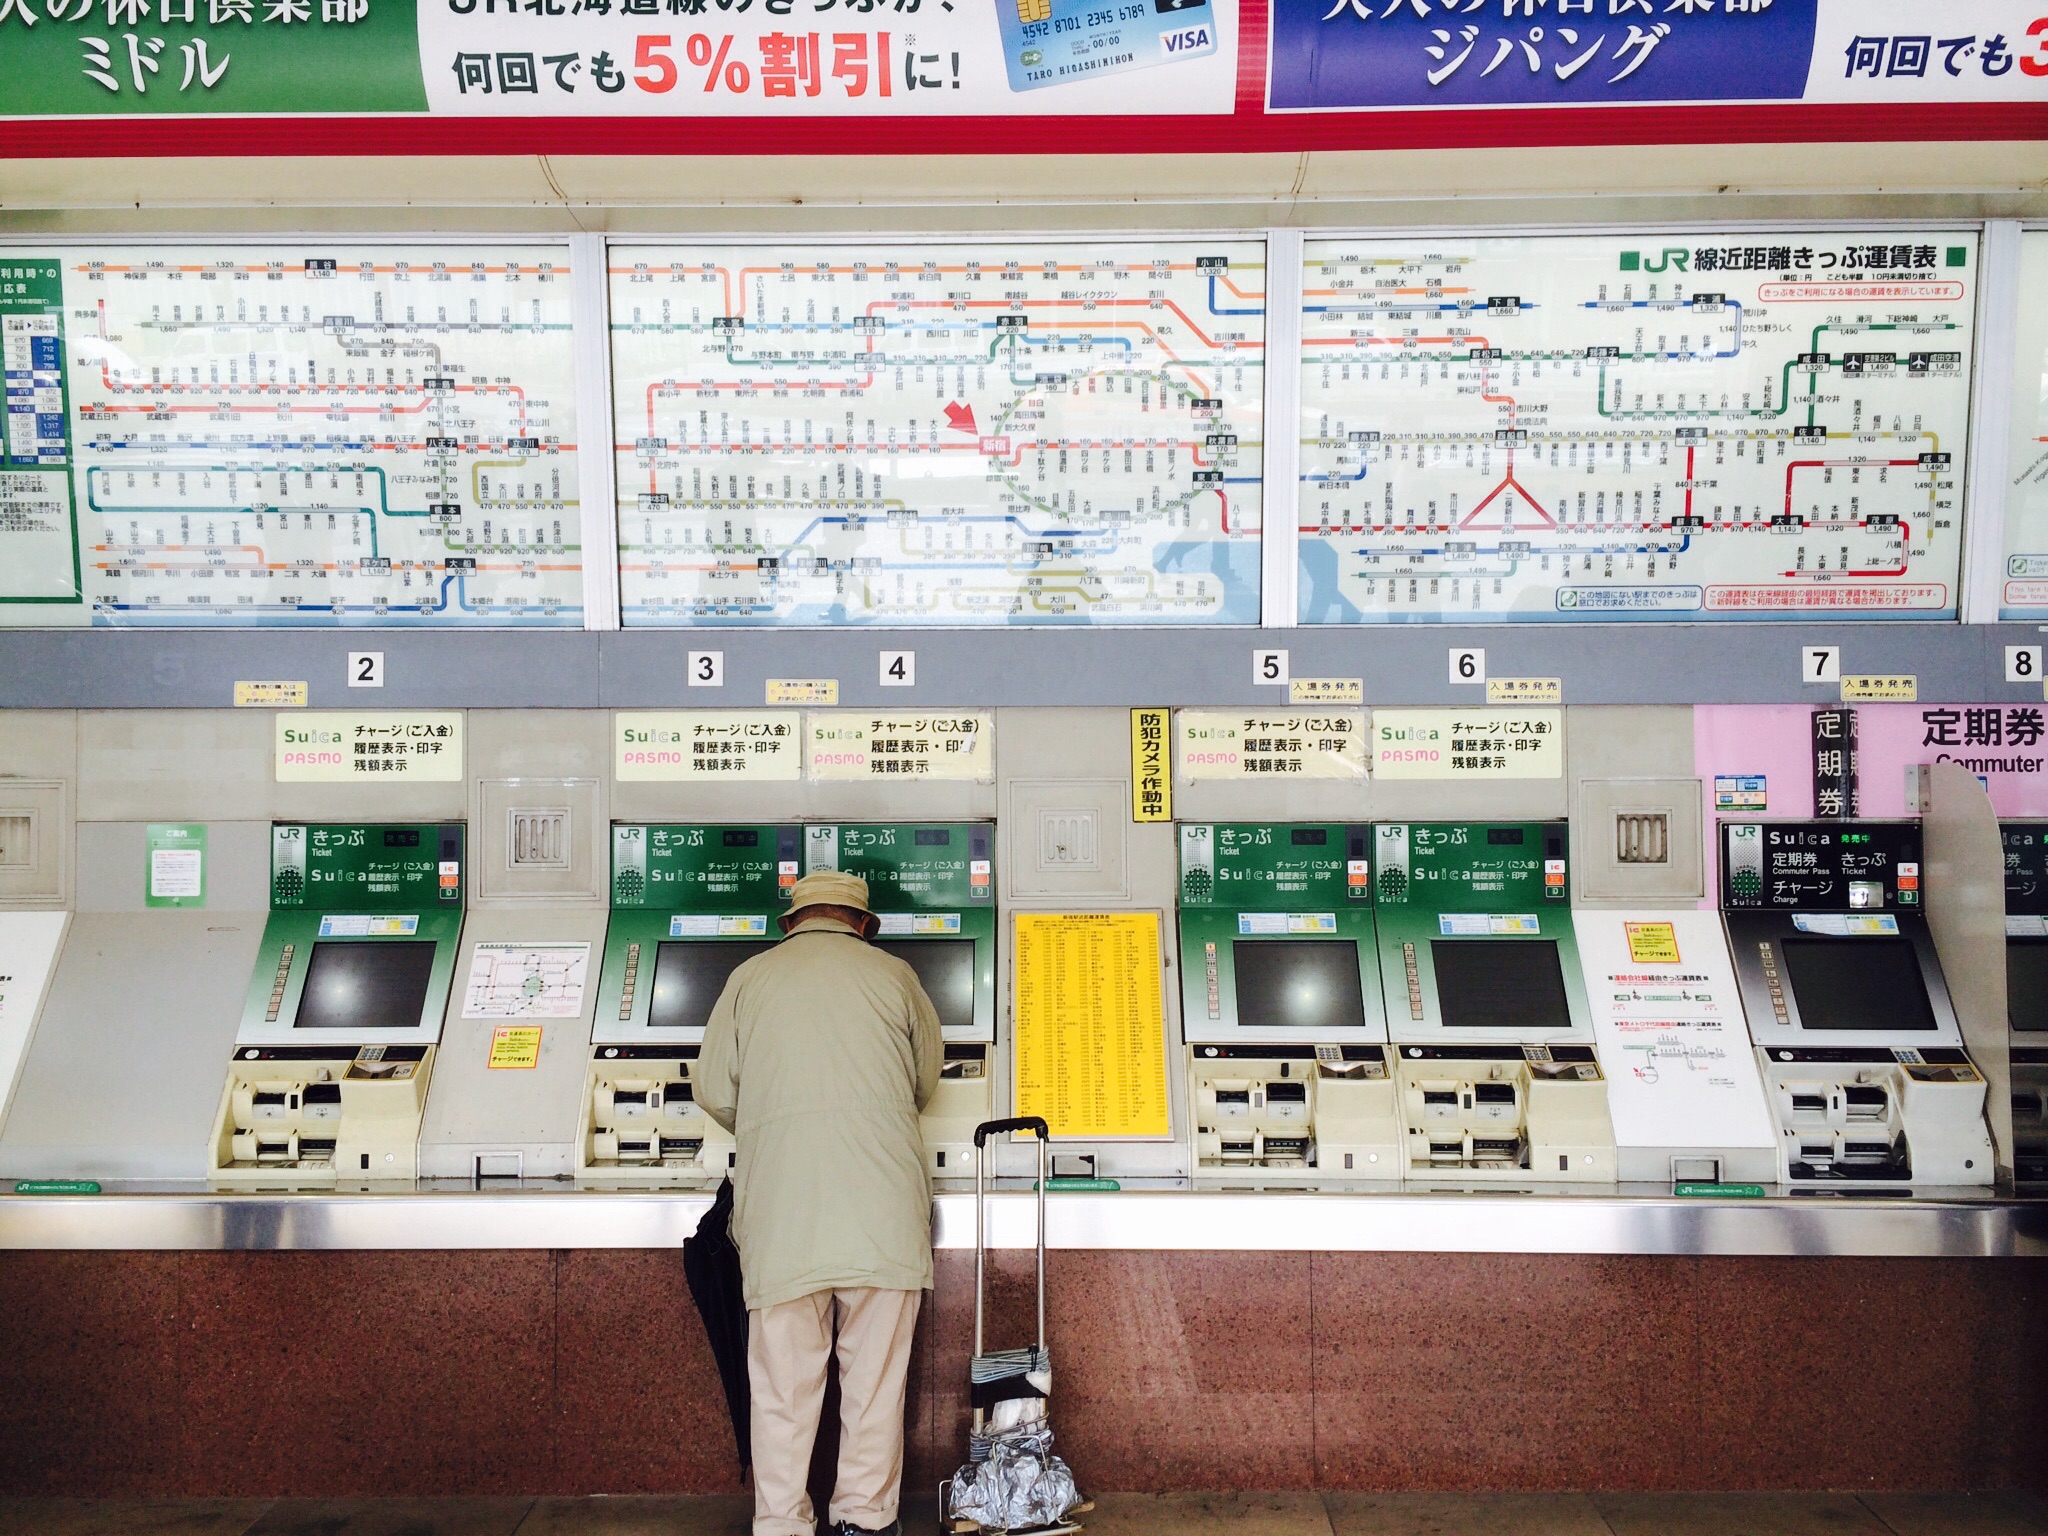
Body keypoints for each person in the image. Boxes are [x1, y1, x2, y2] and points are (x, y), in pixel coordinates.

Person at [697, 869, 944, 1536]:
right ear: (863, 924)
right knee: (874, 1387)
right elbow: (923, 1082)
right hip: (882, 1212)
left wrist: (772, 1120)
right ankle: (865, 1519)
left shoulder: (749, 979)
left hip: (784, 1213)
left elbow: (713, 1089)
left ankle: (782, 1522)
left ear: (790, 924)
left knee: (782, 1389)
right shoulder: (896, 977)